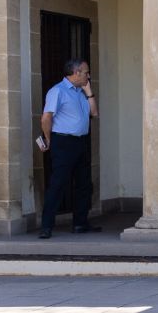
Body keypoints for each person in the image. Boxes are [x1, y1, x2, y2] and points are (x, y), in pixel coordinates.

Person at [38, 59, 97, 238]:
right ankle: (46, 226)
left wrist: (89, 92)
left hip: (81, 142)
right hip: (63, 142)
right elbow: (46, 118)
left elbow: (94, 113)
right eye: (86, 72)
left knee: (84, 184)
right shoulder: (58, 91)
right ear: (76, 73)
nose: (89, 75)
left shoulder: (82, 92)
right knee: (58, 184)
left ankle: (80, 223)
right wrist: (49, 139)